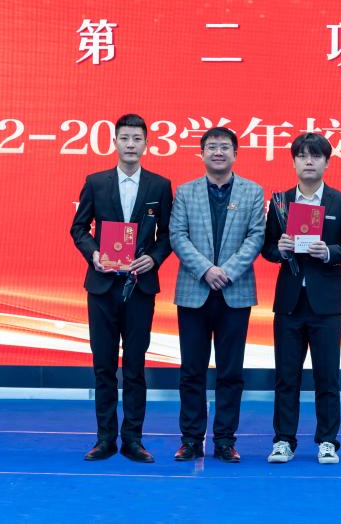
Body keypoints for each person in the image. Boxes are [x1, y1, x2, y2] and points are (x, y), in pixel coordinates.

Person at [69, 113, 173, 463]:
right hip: (102, 287)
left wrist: (153, 259)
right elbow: (79, 228)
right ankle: (104, 439)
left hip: (140, 287)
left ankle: (133, 440)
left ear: (146, 144)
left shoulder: (159, 186)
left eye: (137, 139)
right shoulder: (96, 182)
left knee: (135, 366)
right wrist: (94, 254)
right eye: (125, 138)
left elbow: (168, 235)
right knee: (103, 366)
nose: (131, 145)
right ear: (114, 142)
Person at [262, 132, 341, 465]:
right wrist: (279, 250)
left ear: (326, 162)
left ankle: (327, 441)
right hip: (289, 304)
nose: (309, 162)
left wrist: (330, 252)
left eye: (315, 156)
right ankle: (283, 440)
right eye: (302, 156)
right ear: (294, 162)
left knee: (327, 376)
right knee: (286, 376)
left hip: (326, 305)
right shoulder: (280, 202)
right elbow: (266, 248)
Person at [169, 126, 265, 463]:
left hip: (235, 292)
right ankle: (191, 440)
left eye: (225, 147)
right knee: (191, 372)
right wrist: (206, 270)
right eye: (212, 147)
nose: (218, 152)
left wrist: (227, 271)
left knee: (230, 373)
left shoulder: (253, 191)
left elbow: (256, 236)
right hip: (194, 291)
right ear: (202, 153)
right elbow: (177, 235)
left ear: (235, 154)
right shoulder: (185, 192)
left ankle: (225, 440)